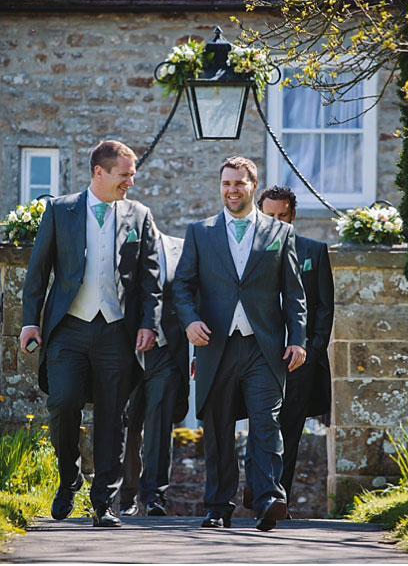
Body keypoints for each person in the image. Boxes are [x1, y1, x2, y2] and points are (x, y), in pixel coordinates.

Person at [19, 139, 161, 528]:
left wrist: (148, 323)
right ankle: (70, 479)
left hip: (117, 331)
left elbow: (150, 279)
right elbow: (38, 272)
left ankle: (104, 504)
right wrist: (31, 320)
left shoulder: (139, 215)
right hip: (68, 328)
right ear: (100, 172)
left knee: (113, 417)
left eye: (132, 174)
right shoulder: (60, 210)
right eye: (125, 174)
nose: (130, 181)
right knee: (62, 403)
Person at [172, 156, 306, 532]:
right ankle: (218, 506)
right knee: (217, 430)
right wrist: (190, 320)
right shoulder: (200, 232)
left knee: (266, 423)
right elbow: (182, 286)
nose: (232, 190)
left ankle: (268, 500)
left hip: (264, 347)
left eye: (239, 183)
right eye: (226, 183)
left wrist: (298, 340)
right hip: (216, 344)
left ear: (252, 185)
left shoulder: (279, 233)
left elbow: (294, 295)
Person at [244, 186, 334, 516]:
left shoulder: (314, 251)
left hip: (299, 359)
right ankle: (257, 486)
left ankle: (277, 498)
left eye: (283, 215)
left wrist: (312, 350)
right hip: (258, 356)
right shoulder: (247, 253)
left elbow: (324, 307)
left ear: (293, 215)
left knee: (291, 431)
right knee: (260, 425)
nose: (277, 221)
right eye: (270, 216)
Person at [120, 223, 190, 518]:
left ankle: (154, 496)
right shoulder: (119, 249)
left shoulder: (182, 249)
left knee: (159, 424)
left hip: (167, 352)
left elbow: (193, 298)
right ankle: (124, 496)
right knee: (127, 426)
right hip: (126, 352)